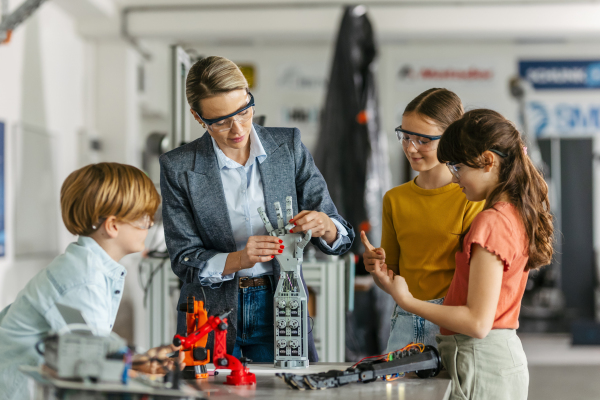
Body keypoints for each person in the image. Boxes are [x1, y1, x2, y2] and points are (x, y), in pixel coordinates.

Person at [160, 56, 354, 362]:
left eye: (244, 110)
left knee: (290, 393)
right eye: (221, 121)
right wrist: (238, 259)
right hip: (212, 312)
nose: (237, 128)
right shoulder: (178, 166)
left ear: (249, 96)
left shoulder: (287, 146)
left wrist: (325, 226)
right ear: (198, 118)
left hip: (280, 300)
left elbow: (339, 232)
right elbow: (184, 259)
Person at [372, 109, 553, 400]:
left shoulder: (490, 221)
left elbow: (477, 322)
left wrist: (407, 301)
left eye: (458, 168)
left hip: (481, 362)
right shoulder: (512, 214)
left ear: (488, 161)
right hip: (488, 360)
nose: (455, 179)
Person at [0, 163, 182, 400]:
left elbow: (88, 341)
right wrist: (142, 371)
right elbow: (90, 364)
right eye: (143, 217)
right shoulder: (82, 280)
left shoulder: (85, 267)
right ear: (113, 225)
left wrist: (139, 360)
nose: (149, 225)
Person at [361, 88, 484, 351]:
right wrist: (377, 269)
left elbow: (478, 281)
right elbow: (393, 276)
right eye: (405, 136)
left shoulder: (471, 199)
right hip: (404, 321)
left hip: (451, 324)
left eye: (423, 140)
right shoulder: (395, 199)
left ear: (451, 138)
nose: (410, 148)